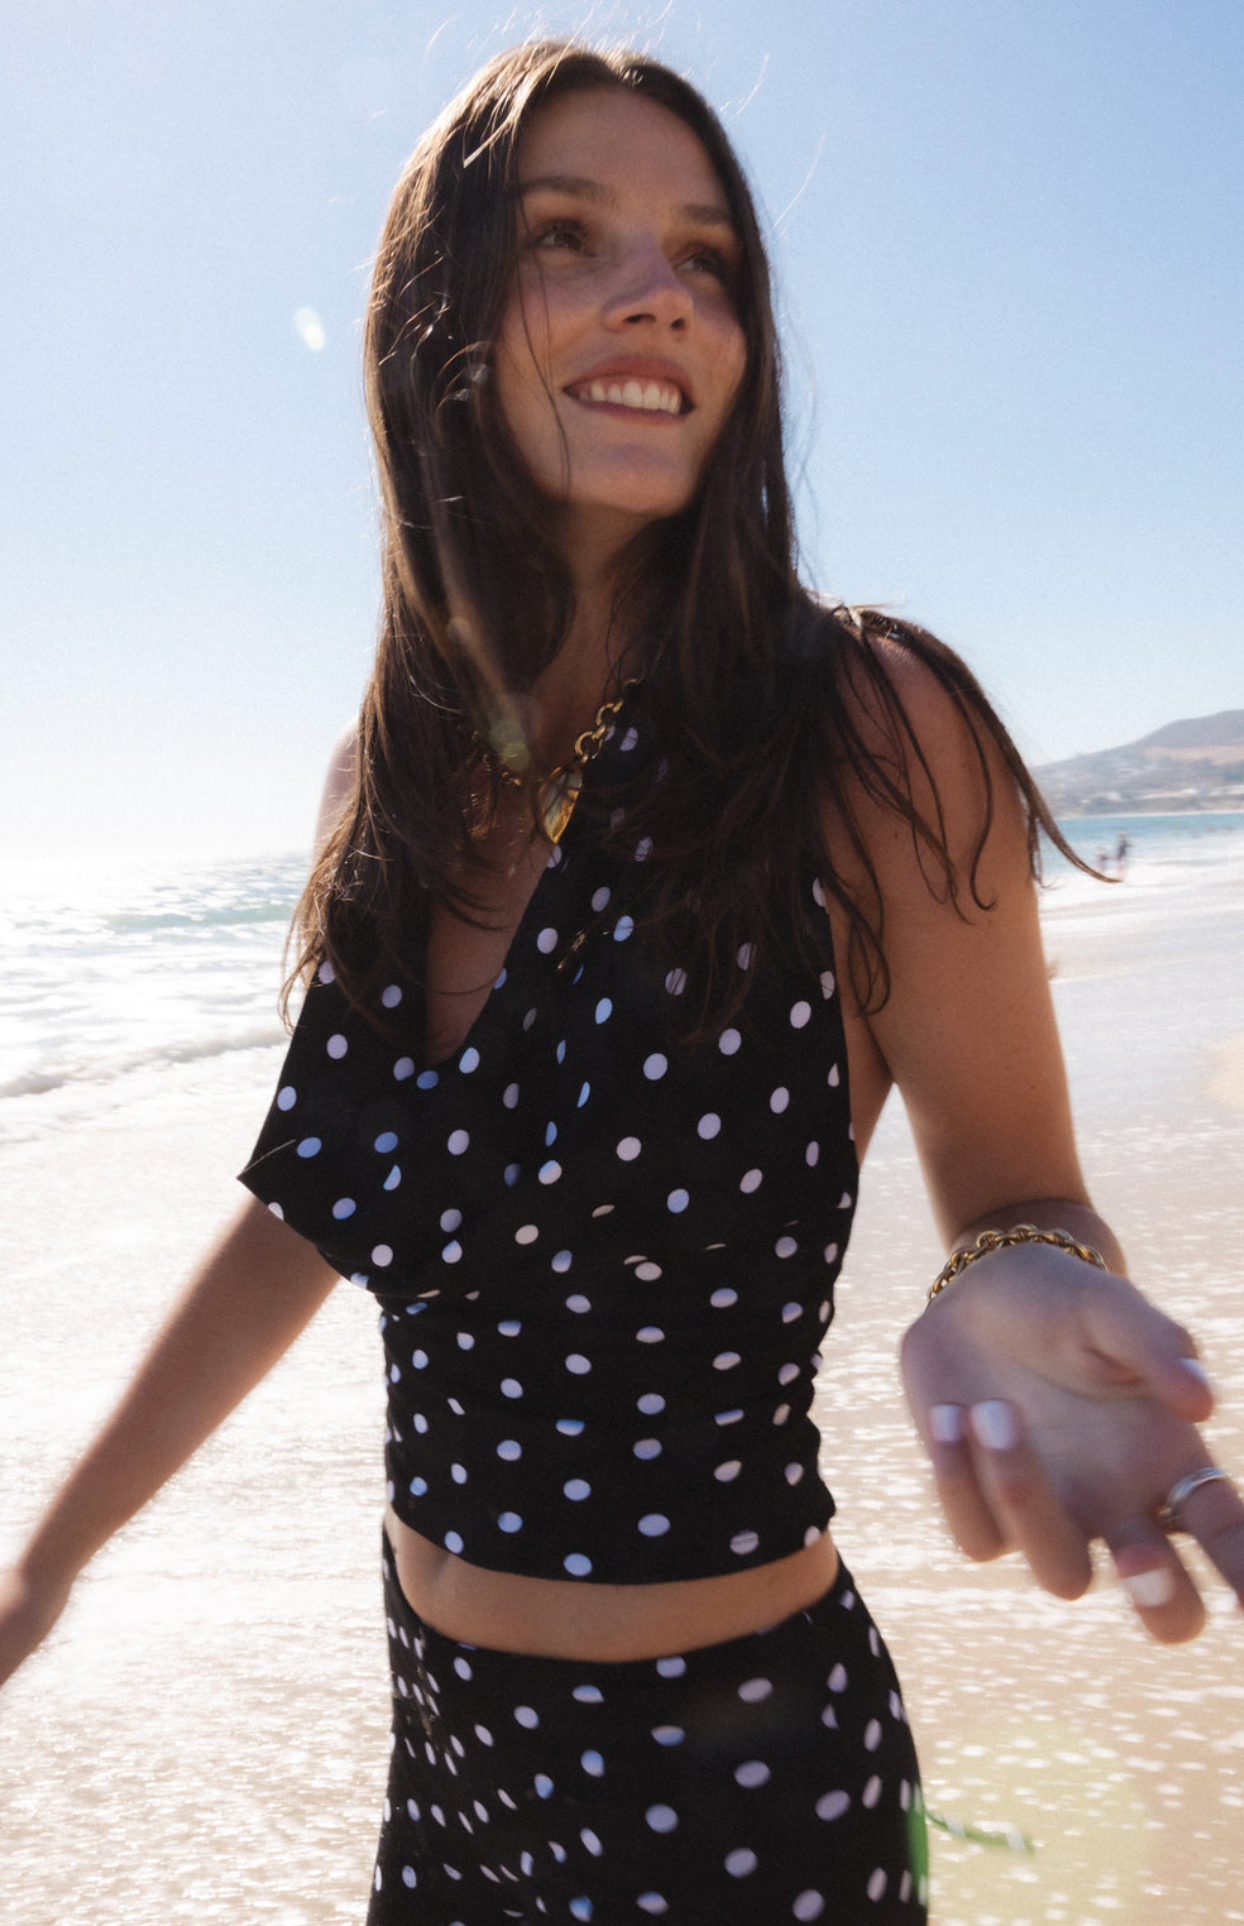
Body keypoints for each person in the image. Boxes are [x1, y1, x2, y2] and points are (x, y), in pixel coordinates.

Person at [2, 39, 1241, 1925]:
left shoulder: (867, 730)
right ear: (440, 314)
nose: (660, 289)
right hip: (446, 1739)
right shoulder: (403, 764)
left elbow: (1016, 1193)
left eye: (710, 257)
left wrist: (1022, 1273)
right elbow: (308, 1209)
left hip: (726, 1777)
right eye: (566, 236)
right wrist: (49, 1560)